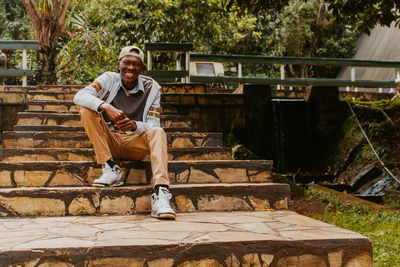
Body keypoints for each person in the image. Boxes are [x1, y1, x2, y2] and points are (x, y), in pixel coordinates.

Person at [73, 45, 175, 219]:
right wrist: (105, 106)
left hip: (134, 142)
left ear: (141, 67)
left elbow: (153, 122)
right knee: (86, 110)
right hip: (109, 140)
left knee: (158, 132)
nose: (131, 68)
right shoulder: (108, 79)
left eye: (136, 64)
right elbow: (80, 96)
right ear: (119, 63)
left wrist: (134, 126)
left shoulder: (153, 88)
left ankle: (161, 193)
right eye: (127, 62)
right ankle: (110, 167)